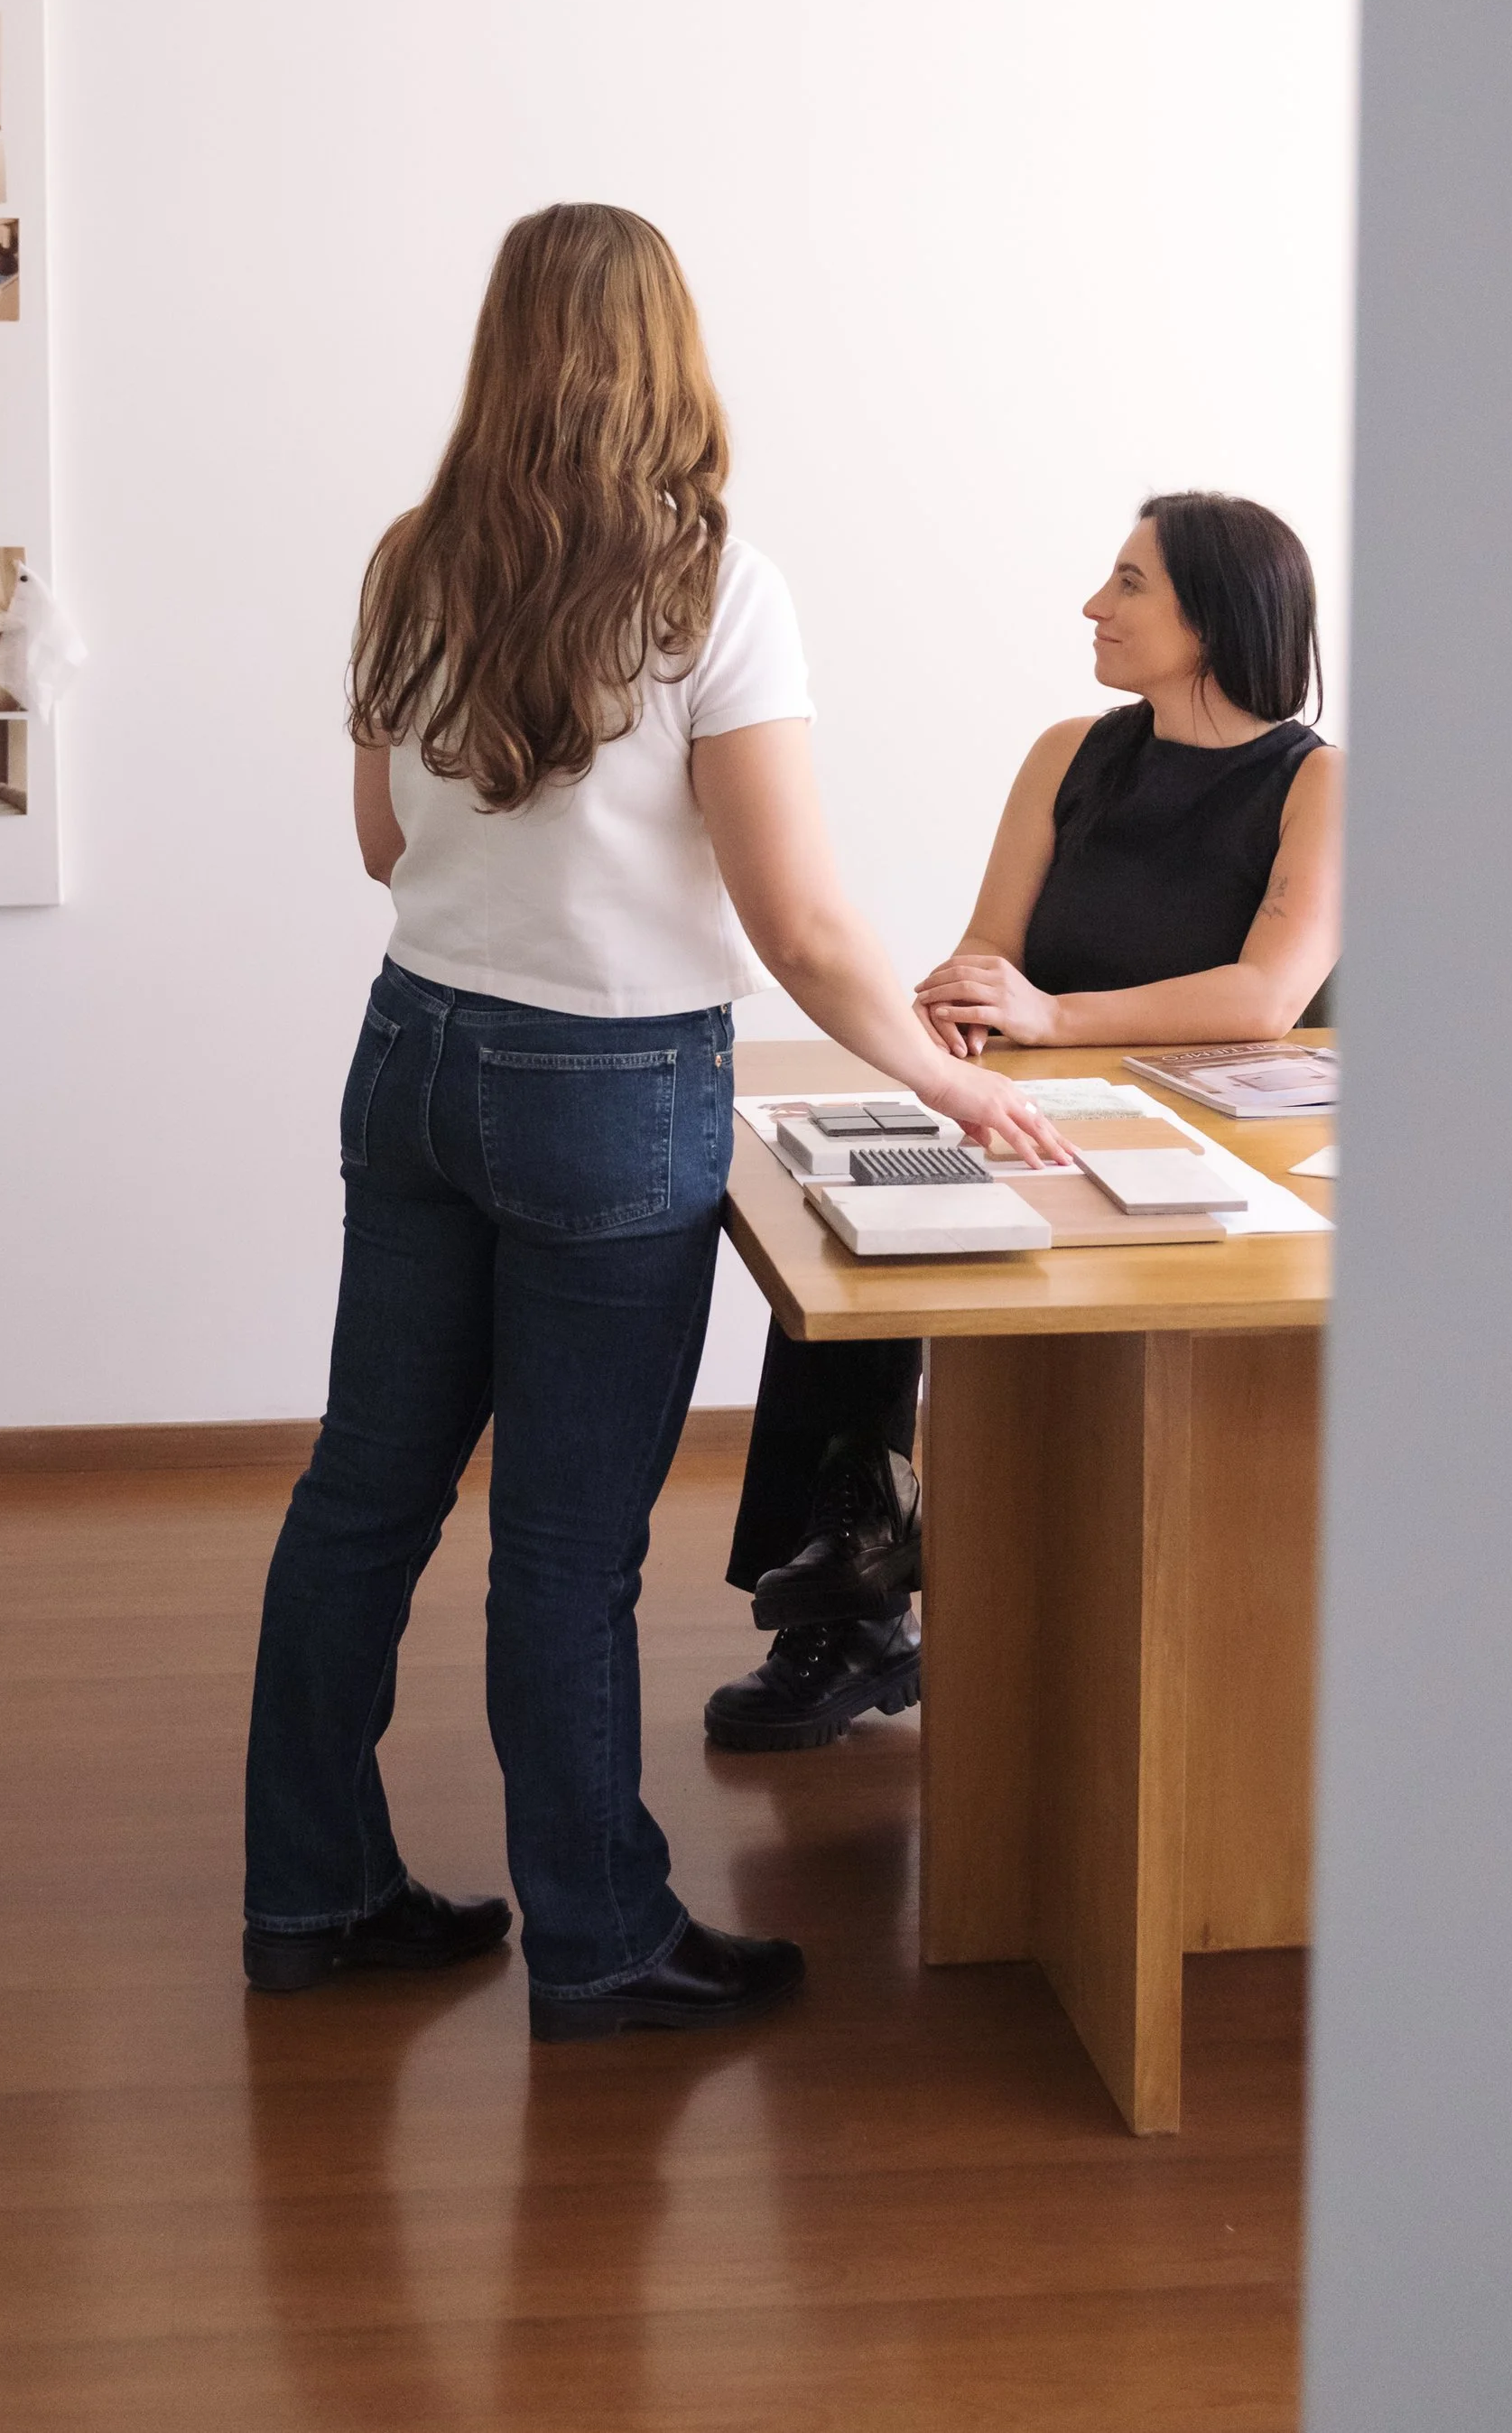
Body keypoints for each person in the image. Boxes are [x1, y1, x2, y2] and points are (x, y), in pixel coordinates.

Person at [241, 205, 1064, 2039]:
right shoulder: (710, 587)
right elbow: (797, 922)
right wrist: (945, 1079)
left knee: (361, 1495)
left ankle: (307, 1892)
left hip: (417, 1053)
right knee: (560, 1548)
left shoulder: (405, 561)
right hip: (605, 1087)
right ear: (665, 353)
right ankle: (600, 1943)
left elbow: (380, 848)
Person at [709, 490, 1340, 1753]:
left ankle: (870, 1567)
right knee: (855, 1219)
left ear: (1214, 615)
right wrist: (956, 1010)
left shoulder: (1319, 783)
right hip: (1054, 1118)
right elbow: (991, 949)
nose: (1095, 606)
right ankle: (852, 1584)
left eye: (1129, 583)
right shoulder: (1069, 752)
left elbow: (1266, 997)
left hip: (1222, 1162)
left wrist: (1048, 1020)